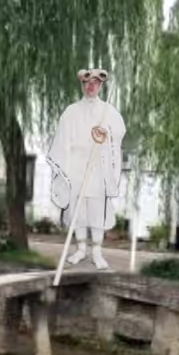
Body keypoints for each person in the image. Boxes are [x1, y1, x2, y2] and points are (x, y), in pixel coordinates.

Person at [47, 67, 126, 270]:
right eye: (87, 83)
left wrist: (106, 134)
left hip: (97, 167)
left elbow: (118, 135)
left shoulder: (108, 111)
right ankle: (81, 249)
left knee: (97, 209)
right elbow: (63, 138)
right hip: (77, 166)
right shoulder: (71, 111)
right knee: (78, 210)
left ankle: (97, 252)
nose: (91, 86)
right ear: (82, 85)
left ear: (100, 86)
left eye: (95, 83)